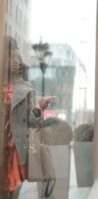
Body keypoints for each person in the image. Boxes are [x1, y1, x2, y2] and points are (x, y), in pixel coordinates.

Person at [2, 37, 55, 199]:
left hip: (14, 148)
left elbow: (31, 122)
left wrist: (38, 108)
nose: (15, 61)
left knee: (11, 189)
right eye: (11, 57)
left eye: (17, 57)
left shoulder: (24, 88)